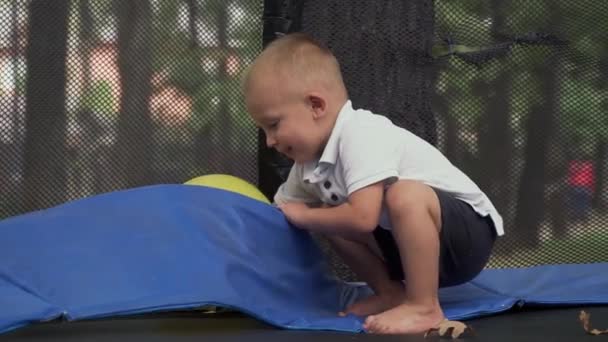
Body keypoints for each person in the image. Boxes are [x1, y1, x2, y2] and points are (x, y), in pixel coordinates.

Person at [242, 32, 504, 335]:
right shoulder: (306, 168)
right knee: (329, 213)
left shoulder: (361, 133)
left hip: (466, 238)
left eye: (274, 125)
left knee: (402, 195)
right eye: (263, 130)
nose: (270, 141)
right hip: (410, 252)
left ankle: (424, 306)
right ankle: (390, 292)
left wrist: (304, 216)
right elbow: (280, 211)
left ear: (315, 105)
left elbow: (363, 218)